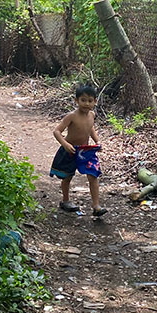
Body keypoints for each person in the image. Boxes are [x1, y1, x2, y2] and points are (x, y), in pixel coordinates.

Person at [50, 83, 106, 217]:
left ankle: (96, 206)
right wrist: (64, 144)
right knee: (67, 176)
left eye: (90, 101)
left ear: (95, 102)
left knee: (93, 175)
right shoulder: (72, 116)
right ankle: (65, 201)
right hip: (70, 150)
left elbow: (91, 128)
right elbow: (57, 131)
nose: (86, 103)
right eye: (83, 100)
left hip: (86, 151)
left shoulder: (92, 115)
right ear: (76, 101)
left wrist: (97, 141)